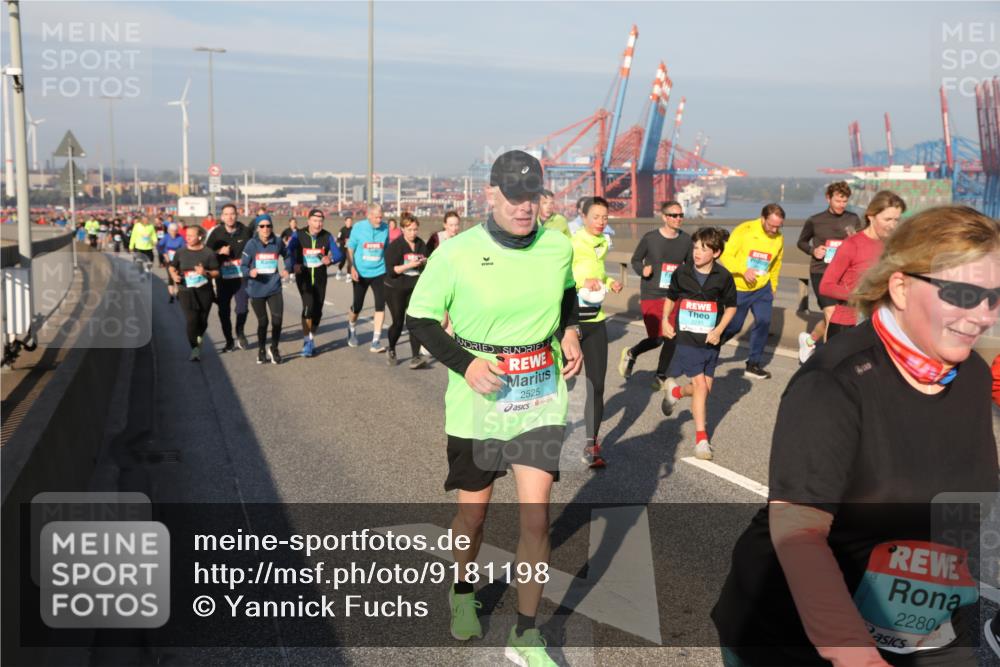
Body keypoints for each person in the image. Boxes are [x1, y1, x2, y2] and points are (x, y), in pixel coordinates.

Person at [712, 205, 1000, 666]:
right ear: (901, 287)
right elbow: (798, 530)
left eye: (994, 295)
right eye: (963, 293)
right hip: (793, 636)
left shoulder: (972, 376)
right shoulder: (834, 380)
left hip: (921, 635)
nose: (983, 315)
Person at [406, 150, 582, 666]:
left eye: (532, 196)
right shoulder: (456, 252)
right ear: (489, 194)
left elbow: (568, 295)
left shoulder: (556, 246)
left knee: (535, 518)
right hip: (479, 398)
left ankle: (527, 634)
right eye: (512, 196)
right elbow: (419, 319)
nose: (524, 207)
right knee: (473, 514)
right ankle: (462, 591)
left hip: (538, 394)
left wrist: (569, 331)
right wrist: (466, 365)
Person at [659, 227, 737, 460]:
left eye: (703, 249)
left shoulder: (723, 277)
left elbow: (731, 307)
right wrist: (665, 320)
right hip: (686, 338)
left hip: (711, 340)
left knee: (703, 390)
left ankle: (676, 391)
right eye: (695, 247)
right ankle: (702, 440)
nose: (697, 252)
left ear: (716, 252)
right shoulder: (682, 273)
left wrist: (719, 330)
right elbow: (671, 298)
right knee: (701, 387)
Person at [571, 196, 623, 468]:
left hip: (595, 321)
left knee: (598, 385)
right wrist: (582, 281)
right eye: (596, 217)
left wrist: (610, 282)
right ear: (583, 217)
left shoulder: (601, 244)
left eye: (605, 218)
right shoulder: (573, 243)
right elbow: (564, 276)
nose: (601, 222)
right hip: (571, 323)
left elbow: (597, 275)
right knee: (562, 384)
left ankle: (591, 444)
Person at [620, 200, 693, 387]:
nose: (678, 219)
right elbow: (636, 260)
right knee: (656, 338)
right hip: (651, 293)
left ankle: (660, 374)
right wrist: (642, 269)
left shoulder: (686, 240)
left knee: (671, 336)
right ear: (664, 217)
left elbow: (690, 267)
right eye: (674, 215)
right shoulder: (650, 238)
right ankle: (632, 353)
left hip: (674, 294)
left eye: (681, 215)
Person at [819, 191, 905, 339]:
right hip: (847, 326)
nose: (892, 225)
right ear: (871, 217)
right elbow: (826, 286)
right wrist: (862, 295)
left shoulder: (892, 246)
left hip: (880, 324)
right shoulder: (852, 245)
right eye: (888, 219)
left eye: (896, 220)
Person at [797, 181, 863, 362]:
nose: (842, 205)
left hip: (845, 275)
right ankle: (828, 361)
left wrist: (854, 241)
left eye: (845, 201)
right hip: (822, 272)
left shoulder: (853, 218)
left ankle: (809, 341)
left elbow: (860, 243)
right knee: (831, 314)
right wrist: (813, 251)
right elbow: (801, 242)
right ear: (828, 198)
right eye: (838, 201)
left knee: (838, 316)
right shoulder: (815, 220)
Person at [719, 203, 785, 380]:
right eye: (771, 225)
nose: (775, 229)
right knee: (734, 326)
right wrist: (743, 270)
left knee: (763, 322)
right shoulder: (745, 229)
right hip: (740, 287)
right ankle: (711, 347)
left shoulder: (778, 238)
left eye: (779, 226)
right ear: (762, 218)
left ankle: (753, 364)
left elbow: (776, 264)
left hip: (762, 289)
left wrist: (773, 285)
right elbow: (726, 254)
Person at [286, 208, 343, 357]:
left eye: (320, 221)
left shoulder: (327, 236)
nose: (318, 224)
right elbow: (288, 250)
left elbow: (338, 254)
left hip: (320, 277)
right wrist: (293, 265)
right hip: (303, 276)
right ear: (308, 221)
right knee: (308, 306)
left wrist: (329, 260)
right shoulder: (298, 235)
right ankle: (307, 342)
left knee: (317, 311)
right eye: (315, 221)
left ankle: (310, 338)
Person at [168, 225, 220, 362]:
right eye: (187, 235)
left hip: (204, 291)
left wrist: (205, 272)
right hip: (186, 290)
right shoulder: (181, 252)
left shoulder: (208, 253)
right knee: (191, 321)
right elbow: (172, 266)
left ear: (200, 237)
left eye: (191, 235)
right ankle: (195, 349)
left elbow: (216, 272)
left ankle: (199, 337)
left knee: (202, 321)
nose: (188, 238)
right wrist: (173, 276)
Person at [241, 214, 289, 364]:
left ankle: (274, 348)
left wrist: (288, 268)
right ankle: (261, 349)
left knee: (278, 320)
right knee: (263, 322)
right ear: (257, 228)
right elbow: (242, 266)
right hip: (256, 289)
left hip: (274, 287)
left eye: (268, 226)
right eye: (262, 226)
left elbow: (288, 255)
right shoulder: (251, 244)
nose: (266, 229)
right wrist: (250, 272)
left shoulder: (278, 242)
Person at [206, 203, 253, 352]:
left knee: (242, 308)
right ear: (222, 217)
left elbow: (255, 248)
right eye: (226, 214)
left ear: (237, 215)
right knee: (223, 311)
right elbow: (206, 255)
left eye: (232, 214)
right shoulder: (216, 233)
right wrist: (219, 252)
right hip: (223, 279)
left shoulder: (246, 231)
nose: (229, 217)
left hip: (241, 277)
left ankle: (240, 332)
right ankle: (228, 340)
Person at [382, 213, 428, 367]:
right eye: (409, 230)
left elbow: (427, 264)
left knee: (414, 321)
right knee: (398, 322)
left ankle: (416, 357)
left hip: (414, 288)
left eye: (415, 229)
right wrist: (409, 265)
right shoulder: (396, 245)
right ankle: (392, 348)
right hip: (395, 288)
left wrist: (425, 262)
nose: (413, 233)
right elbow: (391, 270)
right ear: (402, 229)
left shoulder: (421, 244)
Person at [346, 203, 389, 351]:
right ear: (368, 215)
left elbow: (387, 250)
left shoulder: (385, 228)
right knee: (357, 306)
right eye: (376, 217)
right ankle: (351, 327)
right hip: (361, 273)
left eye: (381, 216)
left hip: (380, 272)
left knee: (380, 305)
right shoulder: (358, 228)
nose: (379, 220)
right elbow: (350, 248)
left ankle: (375, 341)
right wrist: (352, 267)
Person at [157, 223, 186, 303]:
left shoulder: (180, 238)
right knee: (170, 277)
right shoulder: (166, 237)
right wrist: (164, 254)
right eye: (172, 231)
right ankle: (171, 295)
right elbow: (159, 246)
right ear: (169, 231)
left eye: (175, 231)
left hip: (178, 260)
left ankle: (177, 294)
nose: (173, 232)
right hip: (168, 260)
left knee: (177, 277)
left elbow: (184, 248)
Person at [336, 215, 354, 280]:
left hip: (350, 248)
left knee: (350, 261)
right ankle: (339, 271)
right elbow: (338, 239)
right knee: (342, 261)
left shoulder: (354, 230)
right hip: (343, 248)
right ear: (345, 222)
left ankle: (348, 275)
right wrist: (344, 241)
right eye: (348, 221)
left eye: (350, 221)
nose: (349, 222)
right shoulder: (342, 230)